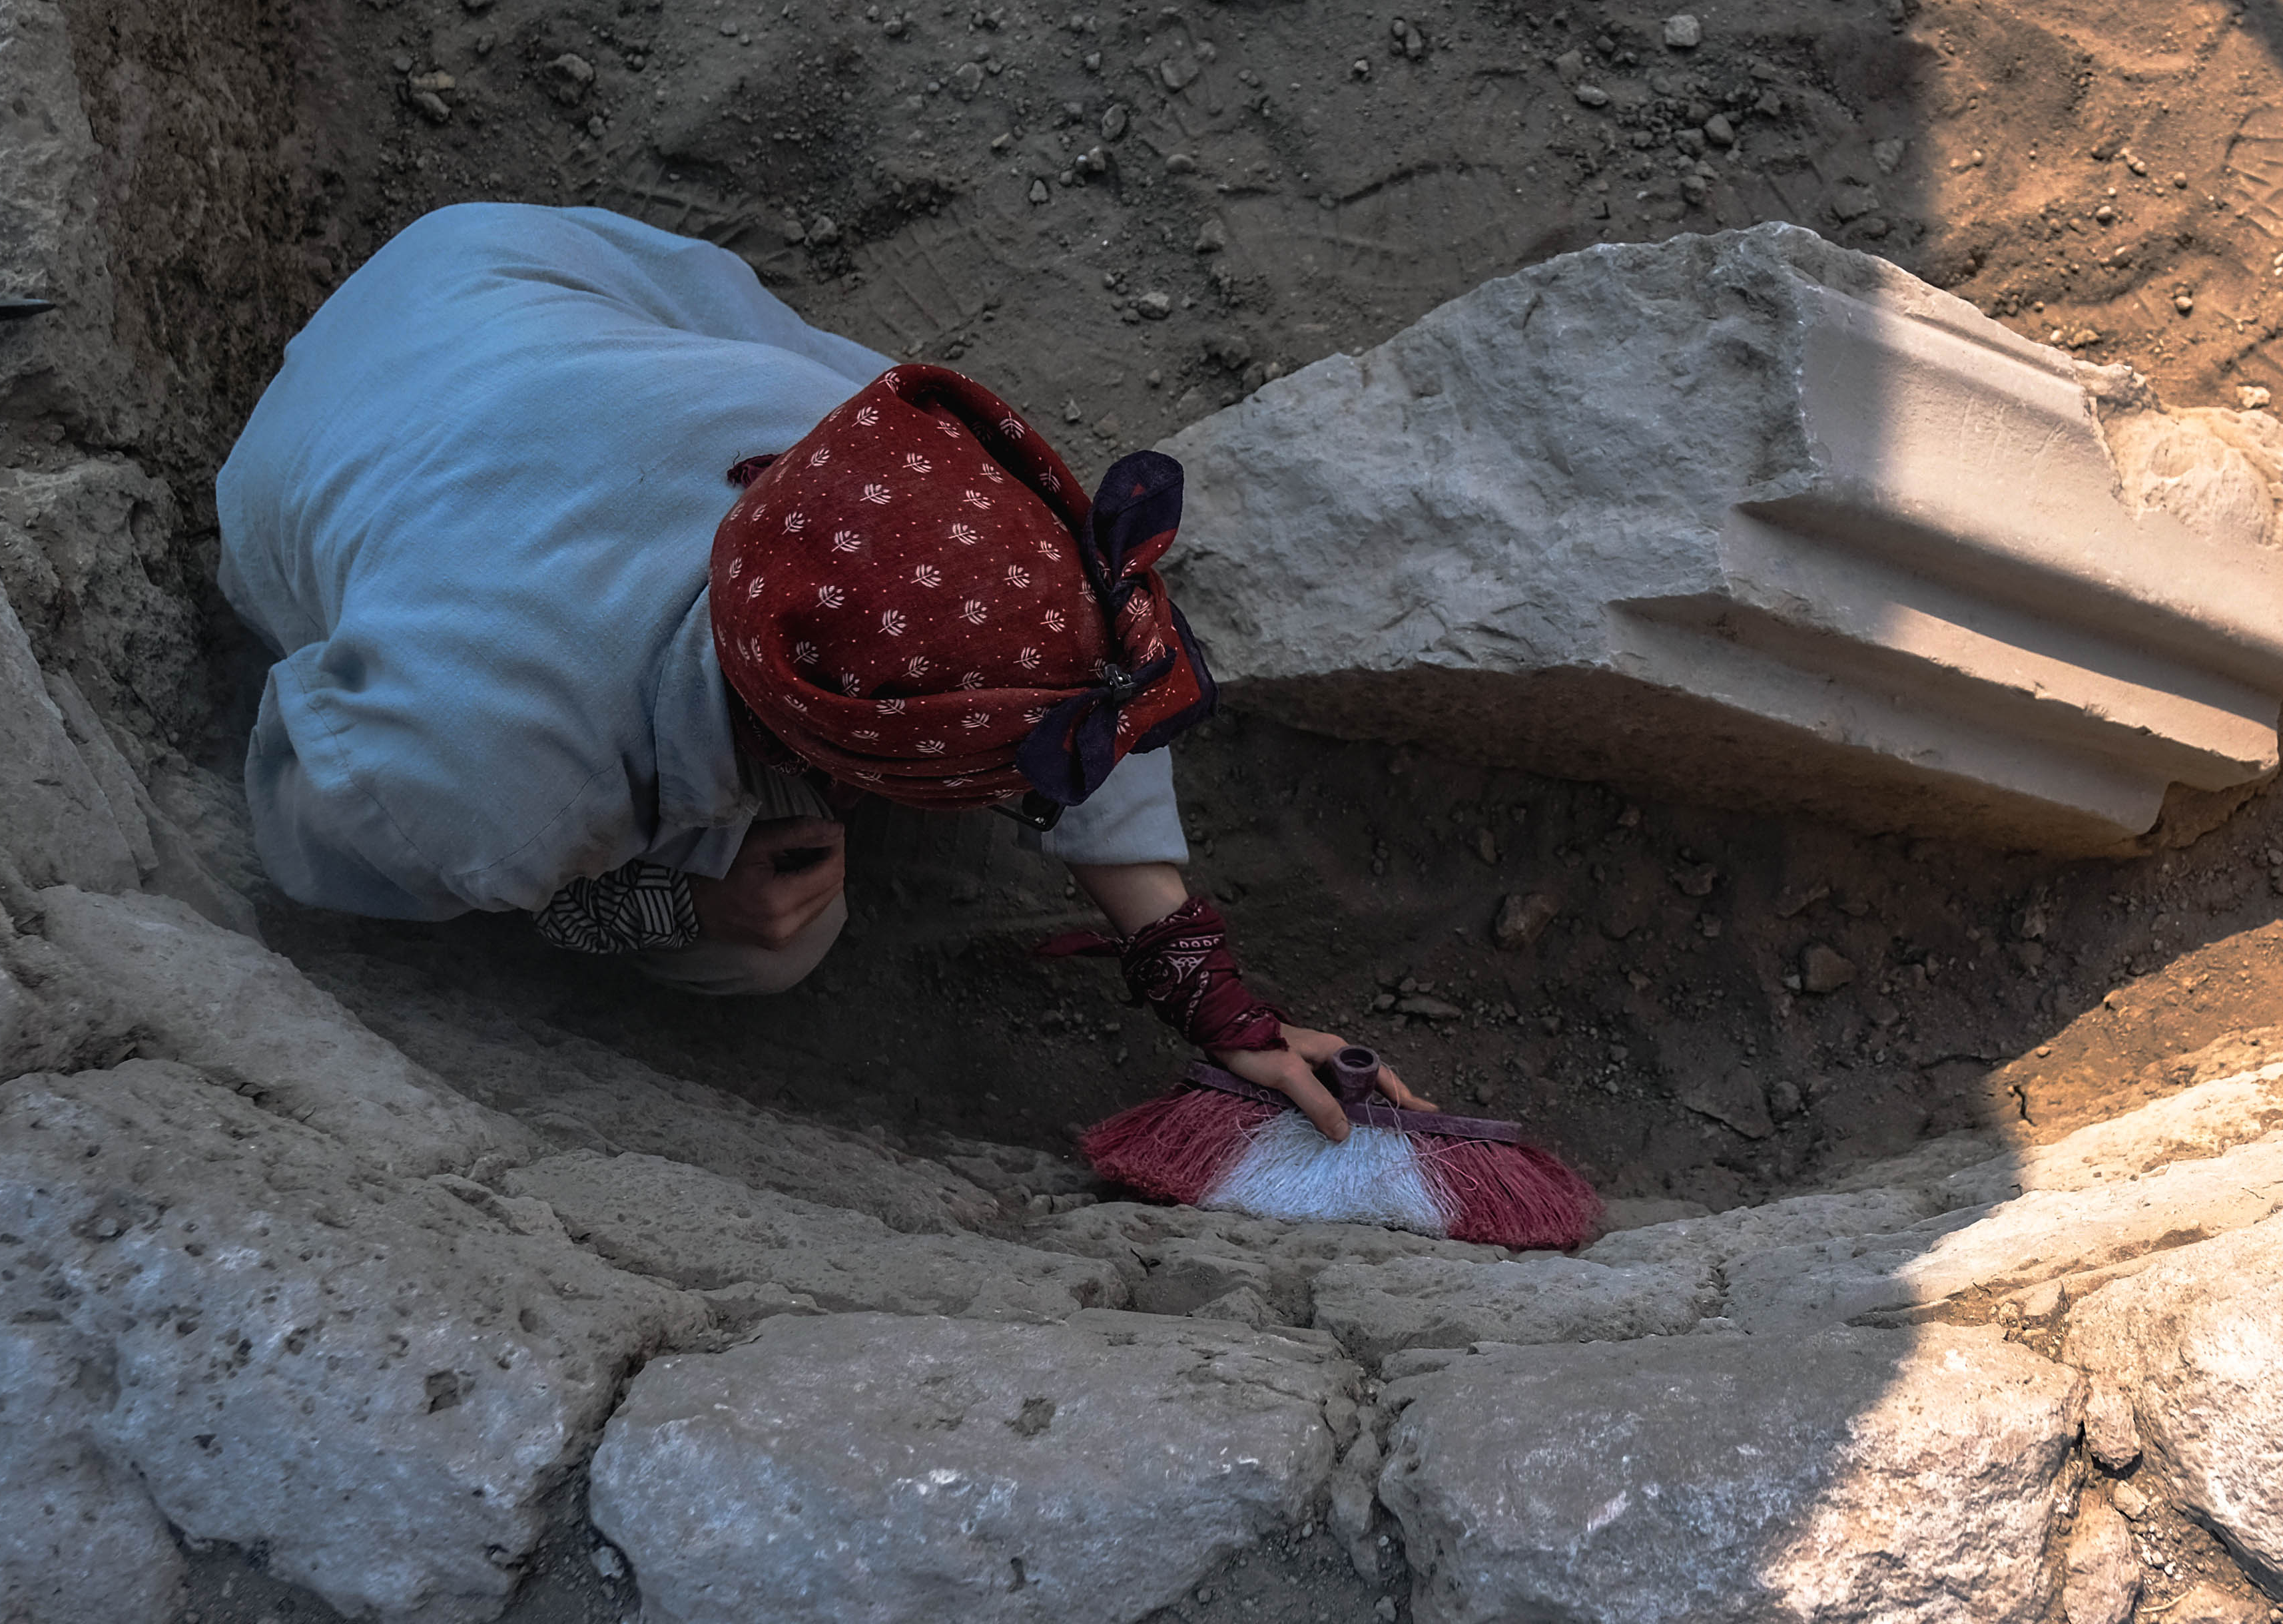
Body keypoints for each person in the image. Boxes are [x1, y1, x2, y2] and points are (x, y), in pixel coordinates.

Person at [215, 202, 1416, 1134]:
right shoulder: (485, 773)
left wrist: (1206, 989)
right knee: (782, 937)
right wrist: (673, 902)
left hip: (495, 269)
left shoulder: (865, 449)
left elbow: (1065, 673)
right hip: (298, 472)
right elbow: (304, 835)